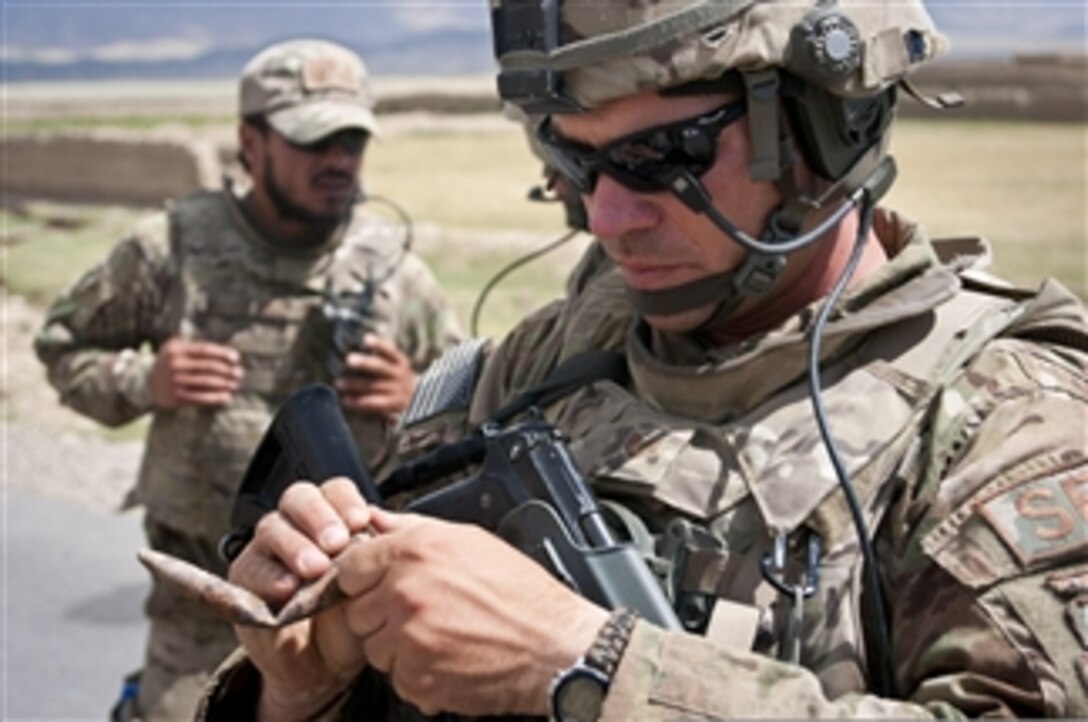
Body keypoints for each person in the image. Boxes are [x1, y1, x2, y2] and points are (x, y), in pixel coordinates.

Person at [200, 2, 1087, 720]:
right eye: (572, 160)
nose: (609, 217)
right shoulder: (547, 360)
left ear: (830, 129)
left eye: (664, 155)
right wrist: (299, 691)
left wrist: (587, 665)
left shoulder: (1004, 422)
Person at [33, 38, 463, 721]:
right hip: (202, 607)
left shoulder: (394, 274)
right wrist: (148, 379)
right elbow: (63, 347)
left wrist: (414, 401)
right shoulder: (170, 248)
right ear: (250, 143)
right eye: (314, 141)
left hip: (351, 614)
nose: (338, 161)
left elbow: (471, 421)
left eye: (351, 142)